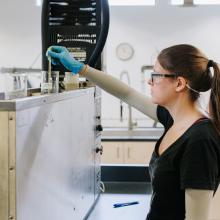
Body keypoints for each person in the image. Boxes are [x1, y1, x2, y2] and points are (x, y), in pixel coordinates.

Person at [47, 44, 220, 220]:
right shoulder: (173, 119)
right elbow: (126, 93)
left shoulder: (200, 140)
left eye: (155, 75)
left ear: (179, 83)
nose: (149, 81)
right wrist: (82, 68)